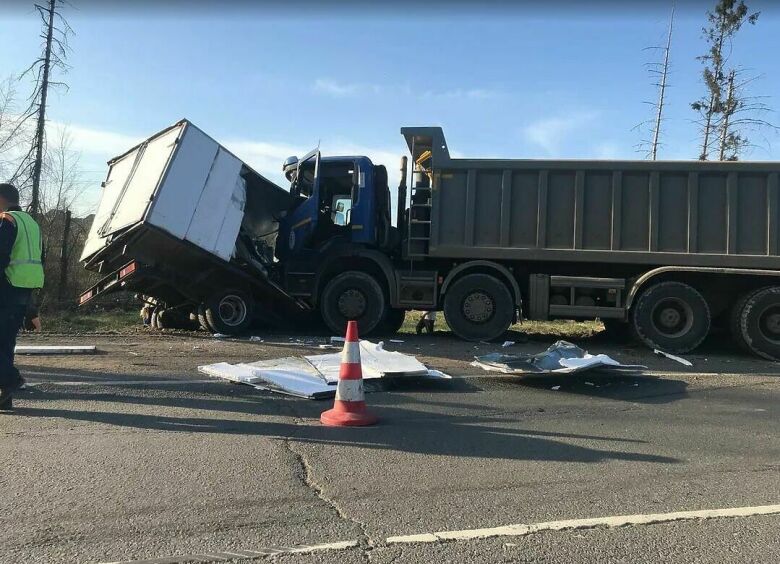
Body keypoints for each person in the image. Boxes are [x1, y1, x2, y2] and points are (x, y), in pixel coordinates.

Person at [0, 183, 45, 410]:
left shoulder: (7, 220)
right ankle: (5, 399)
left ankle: (12, 379)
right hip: (25, 290)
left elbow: (1, 256)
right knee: (6, 345)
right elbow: (39, 259)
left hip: (6, 288)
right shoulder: (32, 224)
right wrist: (31, 309)